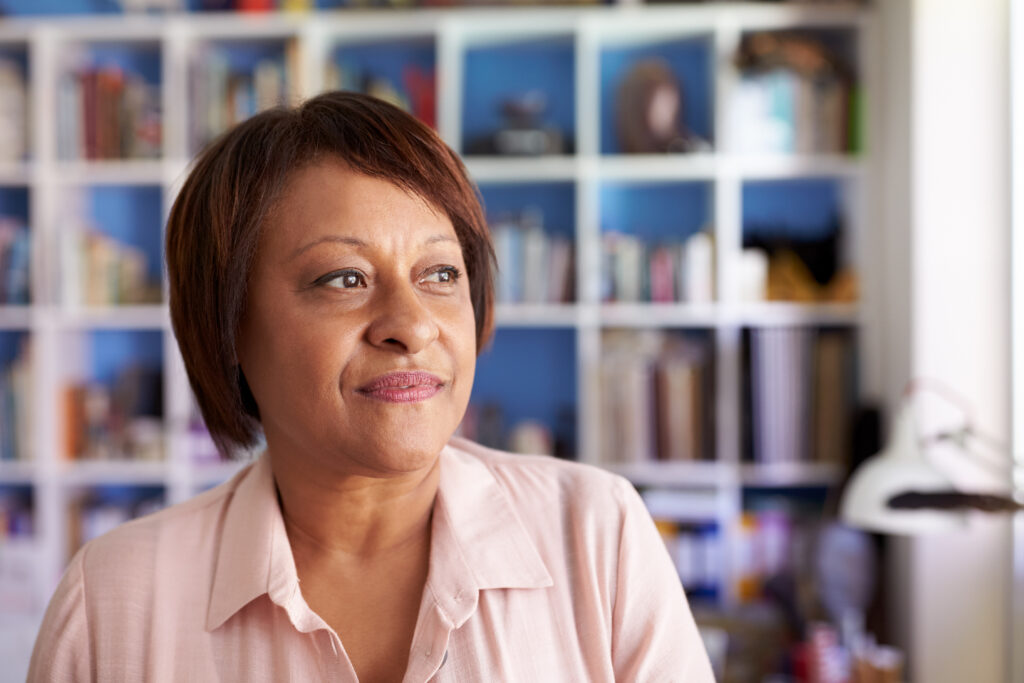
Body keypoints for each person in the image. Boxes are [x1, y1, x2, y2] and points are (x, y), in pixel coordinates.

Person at [28, 91, 714, 682]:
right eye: (344, 279)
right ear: (229, 325)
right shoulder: (115, 603)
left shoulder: (597, 535)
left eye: (440, 274)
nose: (411, 325)